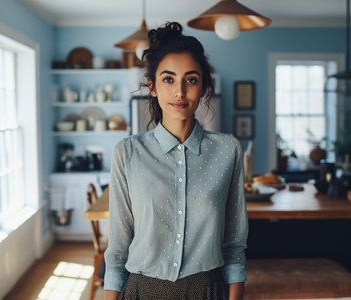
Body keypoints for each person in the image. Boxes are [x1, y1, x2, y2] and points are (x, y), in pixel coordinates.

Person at [104, 22, 248, 300]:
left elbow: (234, 245)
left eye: (191, 79)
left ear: (204, 86)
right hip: (142, 291)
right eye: (168, 79)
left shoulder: (228, 150)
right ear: (153, 87)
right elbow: (118, 250)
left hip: (207, 290)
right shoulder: (128, 152)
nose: (180, 92)